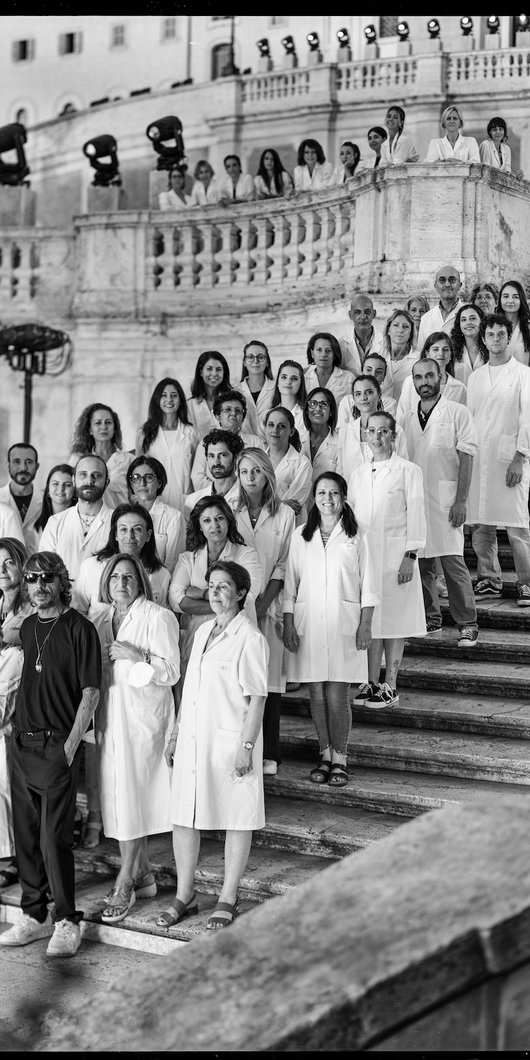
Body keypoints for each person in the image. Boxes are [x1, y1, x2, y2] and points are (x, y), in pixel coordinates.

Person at [0, 551, 101, 957]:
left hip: (57, 746)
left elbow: (91, 693)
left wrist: (70, 747)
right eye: (31, 579)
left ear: (61, 581)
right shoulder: (25, 628)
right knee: (25, 837)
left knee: (52, 839)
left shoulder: (81, 629)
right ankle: (34, 913)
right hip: (21, 744)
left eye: (46, 578)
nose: (39, 586)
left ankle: (66, 920)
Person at [161, 560, 268, 930]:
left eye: (224, 587)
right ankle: (185, 893)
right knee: (184, 815)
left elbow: (257, 699)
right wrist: (175, 735)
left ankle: (227, 895)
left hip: (231, 742)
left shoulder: (251, 639)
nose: (216, 592)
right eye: (211, 585)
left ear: (241, 593)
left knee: (237, 816)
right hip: (193, 739)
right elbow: (189, 690)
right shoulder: (204, 630)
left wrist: (246, 747)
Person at [90, 553, 180, 923]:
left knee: (133, 798)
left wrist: (136, 654)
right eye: (115, 577)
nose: (122, 583)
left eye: (129, 577)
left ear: (141, 582)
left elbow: (171, 672)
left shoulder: (158, 618)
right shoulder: (99, 619)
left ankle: (125, 882)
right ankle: (143, 875)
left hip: (144, 721)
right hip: (111, 718)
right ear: (106, 583)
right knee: (121, 798)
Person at [283, 472, 376, 786]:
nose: (327, 498)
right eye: (321, 492)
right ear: (314, 497)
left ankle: (341, 757)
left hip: (344, 624)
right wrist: (287, 622)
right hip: (309, 623)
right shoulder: (300, 536)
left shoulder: (358, 534)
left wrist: (366, 625)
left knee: (337, 695)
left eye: (333, 492)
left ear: (343, 496)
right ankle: (324, 754)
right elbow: (290, 584)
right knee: (317, 694)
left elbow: (370, 584)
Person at [348, 412, 427, 708]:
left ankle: (390, 684)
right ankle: (370, 682)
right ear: (365, 435)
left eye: (384, 431)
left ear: (393, 435)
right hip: (367, 557)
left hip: (397, 557)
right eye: (372, 430)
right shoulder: (358, 472)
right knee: (373, 621)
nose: (377, 436)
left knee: (394, 621)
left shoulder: (408, 470)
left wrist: (410, 555)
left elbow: (417, 514)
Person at [400, 358, 480, 644]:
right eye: (418, 377)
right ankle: (430, 619)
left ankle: (468, 623)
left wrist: (461, 501)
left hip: (447, 501)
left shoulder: (457, 412)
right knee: (422, 564)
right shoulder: (407, 418)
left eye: (429, 375)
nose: (424, 382)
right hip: (417, 502)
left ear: (440, 377)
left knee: (453, 564)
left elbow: (467, 456)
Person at [232, 449, 295, 776]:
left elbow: (284, 564)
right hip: (235, 607)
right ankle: (242, 747)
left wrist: (263, 603)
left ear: (267, 474)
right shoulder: (230, 510)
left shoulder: (284, 514)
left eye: (257, 471)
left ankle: (269, 751)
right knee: (240, 678)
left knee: (269, 680)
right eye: (244, 471)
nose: (251, 477)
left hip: (267, 604)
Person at [467, 314, 530, 605]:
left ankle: (526, 583)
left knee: (516, 526)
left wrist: (520, 457)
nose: (495, 339)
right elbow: (470, 420)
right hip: (480, 458)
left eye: (500, 334)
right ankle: (488, 578)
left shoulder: (523, 374)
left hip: (510, 458)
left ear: (509, 337)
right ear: (484, 339)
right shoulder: (475, 377)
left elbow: (527, 419)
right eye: (490, 334)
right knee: (482, 524)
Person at [168, 495, 261, 683]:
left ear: (228, 520)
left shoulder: (246, 555)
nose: (214, 525)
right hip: (196, 638)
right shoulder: (188, 558)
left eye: (219, 518)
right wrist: (222, 601)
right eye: (207, 520)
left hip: (234, 637)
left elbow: (246, 597)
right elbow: (176, 601)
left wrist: (200, 593)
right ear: (199, 526)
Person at [0, 538, 31, 893]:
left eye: (10, 563)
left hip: (17, 710)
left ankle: (16, 859)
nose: (4, 570)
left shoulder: (26, 609)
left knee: (10, 789)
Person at [73, 503, 171, 614]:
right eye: (123, 529)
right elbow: (78, 612)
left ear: (148, 535)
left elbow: (162, 616)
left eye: (137, 529)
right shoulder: (91, 566)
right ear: (115, 534)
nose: (130, 536)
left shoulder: (161, 575)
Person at [39, 455, 113, 583]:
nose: (89, 481)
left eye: (97, 475)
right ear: (74, 480)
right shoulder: (55, 522)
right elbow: (44, 570)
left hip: (103, 601)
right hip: (63, 600)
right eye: (83, 475)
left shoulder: (118, 522)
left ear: (107, 482)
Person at [136, 377, 198, 513]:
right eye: (164, 395)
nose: (169, 399)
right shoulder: (145, 431)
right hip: (154, 500)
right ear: (157, 400)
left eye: (174, 395)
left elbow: (195, 468)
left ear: (181, 400)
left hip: (183, 499)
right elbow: (138, 467)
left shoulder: (190, 432)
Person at [338, 374, 407, 485]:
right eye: (358, 394)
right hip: (352, 497)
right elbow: (340, 470)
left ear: (379, 395)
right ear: (354, 399)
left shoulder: (395, 430)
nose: (364, 398)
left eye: (369, 392)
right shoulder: (345, 432)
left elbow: (403, 469)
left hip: (386, 496)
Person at [190, 390, 265, 491]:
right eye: (228, 410)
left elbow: (262, 473)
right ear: (217, 416)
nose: (233, 413)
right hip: (214, 499)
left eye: (238, 411)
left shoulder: (255, 442)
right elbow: (197, 477)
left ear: (243, 418)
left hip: (248, 498)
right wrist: (221, 492)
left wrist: (239, 494)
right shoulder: (206, 443)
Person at [127, 456, 185, 573]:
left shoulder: (173, 517)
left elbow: (172, 564)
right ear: (131, 484)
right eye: (136, 478)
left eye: (149, 477)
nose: (142, 483)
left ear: (159, 483)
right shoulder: (123, 516)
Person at [70, 403, 133, 509]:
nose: (104, 427)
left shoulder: (129, 460)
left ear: (115, 428)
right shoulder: (77, 460)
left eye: (108, 422)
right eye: (98, 423)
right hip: (88, 520)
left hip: (121, 521)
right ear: (90, 429)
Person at [397, 332, 467, 418]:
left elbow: (461, 420)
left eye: (445, 349)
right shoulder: (410, 382)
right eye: (435, 349)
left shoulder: (460, 388)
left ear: (451, 355)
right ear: (427, 353)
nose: (441, 353)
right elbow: (401, 415)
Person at [263, 406, 312, 522]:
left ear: (291, 431)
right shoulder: (257, 460)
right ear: (265, 428)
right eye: (271, 425)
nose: (275, 430)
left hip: (290, 525)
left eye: (282, 426)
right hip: (261, 527)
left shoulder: (302, 463)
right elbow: (249, 498)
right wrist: (281, 503)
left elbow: (294, 504)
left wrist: (262, 505)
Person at [185, 429, 244, 515]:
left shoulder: (248, 500)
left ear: (236, 458)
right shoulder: (193, 501)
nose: (216, 462)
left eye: (223, 455)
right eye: (211, 456)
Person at [0, 443, 42, 554]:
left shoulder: (47, 501)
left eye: (29, 462)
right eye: (17, 462)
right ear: (8, 465)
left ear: (37, 466)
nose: (23, 467)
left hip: (39, 567)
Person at [417, 264, 465, 352]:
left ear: (460, 285)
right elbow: (421, 352)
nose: (447, 284)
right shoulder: (426, 318)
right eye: (442, 280)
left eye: (452, 280)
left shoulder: (468, 315)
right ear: (436, 286)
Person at [338, 293, 386, 379]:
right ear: (350, 315)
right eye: (357, 312)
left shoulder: (386, 342)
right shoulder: (340, 344)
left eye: (367, 312)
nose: (363, 317)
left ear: (374, 314)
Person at [187, 350, 231, 439]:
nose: (214, 374)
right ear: (201, 372)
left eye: (218, 369)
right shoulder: (190, 405)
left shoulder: (232, 402)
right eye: (209, 369)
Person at [238, 339, 276, 437]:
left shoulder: (277, 388)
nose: (255, 361)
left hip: (271, 446)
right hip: (244, 447)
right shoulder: (235, 392)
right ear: (244, 362)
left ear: (267, 362)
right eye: (250, 357)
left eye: (260, 357)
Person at [301, 388, 340, 482]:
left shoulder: (340, 441)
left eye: (323, 405)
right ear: (306, 409)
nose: (318, 409)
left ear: (331, 412)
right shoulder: (298, 438)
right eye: (313, 404)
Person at [304, 332, 354, 406]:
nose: (323, 355)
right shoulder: (304, 378)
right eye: (319, 350)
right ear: (312, 353)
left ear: (334, 354)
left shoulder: (349, 378)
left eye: (328, 351)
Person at [381, 308, 417, 401]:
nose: (400, 330)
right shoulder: (379, 356)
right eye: (396, 325)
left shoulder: (418, 360)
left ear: (411, 333)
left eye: (405, 326)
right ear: (388, 330)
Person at [32, 464, 76, 539]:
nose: (61, 488)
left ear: (75, 491)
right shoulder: (34, 522)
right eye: (55, 484)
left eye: (68, 485)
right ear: (48, 490)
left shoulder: (80, 522)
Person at [270, 359, 308, 440]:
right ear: (278, 382)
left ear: (301, 384)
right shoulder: (268, 415)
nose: (288, 381)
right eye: (284, 377)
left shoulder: (306, 416)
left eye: (294, 378)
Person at [450, 304, 488, 385]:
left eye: (473, 318)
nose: (468, 323)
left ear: (482, 321)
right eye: (463, 320)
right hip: (458, 397)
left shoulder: (491, 348)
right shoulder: (451, 350)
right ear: (459, 325)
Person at [497, 280, 530, 367]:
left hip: (524, 378)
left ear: (521, 299)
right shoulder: (493, 326)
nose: (510, 300)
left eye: (515, 297)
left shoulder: (528, 327)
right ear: (500, 299)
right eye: (506, 296)